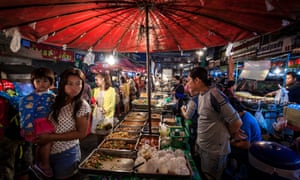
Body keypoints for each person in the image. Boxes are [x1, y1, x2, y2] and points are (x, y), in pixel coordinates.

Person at [187, 67, 245, 180]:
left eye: (189, 80)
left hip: (214, 151)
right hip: (203, 146)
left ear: (197, 80)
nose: (188, 83)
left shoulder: (215, 95)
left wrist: (227, 134)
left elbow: (237, 121)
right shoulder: (201, 94)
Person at [37, 67, 91, 179]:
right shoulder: (55, 100)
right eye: (70, 84)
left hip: (67, 154)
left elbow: (81, 134)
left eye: (78, 84)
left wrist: (51, 137)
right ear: (62, 84)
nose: (74, 88)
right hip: (47, 152)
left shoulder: (81, 106)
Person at [19, 67, 56, 178]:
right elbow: (25, 113)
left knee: (42, 145)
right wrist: (28, 128)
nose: (41, 84)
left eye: (45, 81)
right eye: (38, 81)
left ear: (50, 82)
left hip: (47, 123)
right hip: (36, 125)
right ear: (33, 83)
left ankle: (38, 164)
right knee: (46, 142)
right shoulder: (28, 98)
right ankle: (44, 165)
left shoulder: (52, 96)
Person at [180, 87, 199, 157]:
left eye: (190, 88)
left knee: (192, 141)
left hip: (193, 125)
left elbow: (187, 116)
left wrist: (182, 109)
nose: (189, 90)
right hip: (198, 125)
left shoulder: (193, 101)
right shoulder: (201, 98)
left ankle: (192, 154)